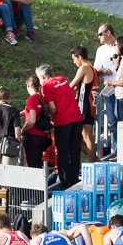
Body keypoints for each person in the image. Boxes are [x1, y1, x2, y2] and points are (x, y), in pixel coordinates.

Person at [37, 63, 84, 191]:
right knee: (75, 151)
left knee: (62, 152)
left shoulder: (46, 87)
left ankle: (65, 183)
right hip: (77, 118)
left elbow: (52, 107)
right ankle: (74, 180)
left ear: (42, 77)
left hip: (63, 121)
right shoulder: (62, 79)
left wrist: (51, 117)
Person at [68, 46, 100, 163]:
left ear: (80, 57)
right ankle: (96, 161)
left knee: (87, 137)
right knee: (77, 138)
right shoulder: (93, 69)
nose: (74, 62)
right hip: (90, 106)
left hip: (84, 107)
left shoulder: (84, 69)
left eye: (74, 59)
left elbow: (70, 86)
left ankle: (93, 164)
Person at [94, 24, 120, 158]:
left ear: (108, 32)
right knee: (112, 121)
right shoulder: (101, 50)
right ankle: (115, 152)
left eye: (100, 34)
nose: (98, 37)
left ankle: (121, 151)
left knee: (121, 120)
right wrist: (103, 70)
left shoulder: (121, 45)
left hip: (122, 87)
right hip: (109, 88)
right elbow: (95, 69)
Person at [22, 74, 49, 169]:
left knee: (31, 164)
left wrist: (23, 130)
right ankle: (41, 183)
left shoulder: (31, 99)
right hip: (41, 136)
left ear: (28, 85)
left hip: (31, 135)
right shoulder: (41, 99)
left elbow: (32, 120)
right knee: (38, 162)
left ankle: (32, 184)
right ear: (38, 86)